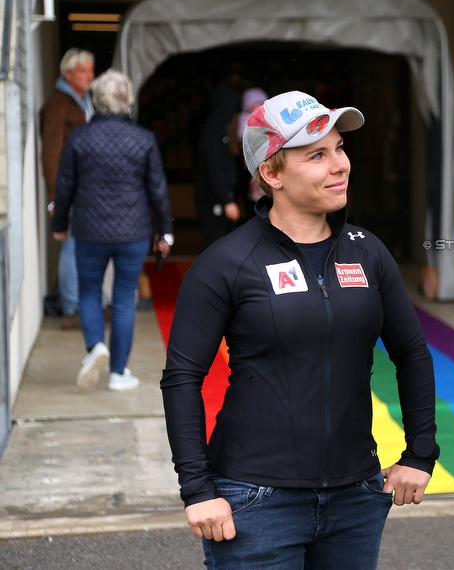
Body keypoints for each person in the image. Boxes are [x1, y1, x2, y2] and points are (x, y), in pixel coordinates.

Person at [161, 91, 438, 570]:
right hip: (254, 500)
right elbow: (182, 378)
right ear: (271, 174)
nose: (340, 165)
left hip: (356, 497)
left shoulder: (367, 252)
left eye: (339, 148)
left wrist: (420, 453)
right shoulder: (226, 263)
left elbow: (411, 352)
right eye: (317, 155)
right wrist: (197, 490)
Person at [51, 69, 174, 392]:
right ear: (127, 100)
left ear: (96, 100)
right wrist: (166, 232)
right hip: (133, 232)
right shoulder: (143, 139)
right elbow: (157, 190)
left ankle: (95, 347)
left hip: (89, 230)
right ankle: (118, 373)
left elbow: (65, 187)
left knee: (89, 291)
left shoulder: (79, 137)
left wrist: (59, 224)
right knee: (122, 299)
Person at [40, 48, 95, 330]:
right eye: (84, 70)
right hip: (69, 190)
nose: (90, 75)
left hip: (85, 189)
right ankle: (71, 309)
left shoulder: (83, 100)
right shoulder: (59, 104)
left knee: (82, 247)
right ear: (67, 74)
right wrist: (54, 198)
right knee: (71, 248)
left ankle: (79, 306)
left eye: (91, 69)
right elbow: (50, 154)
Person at [194, 85, 242, 249]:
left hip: (220, 197)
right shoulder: (212, 130)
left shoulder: (222, 128)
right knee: (216, 246)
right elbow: (213, 167)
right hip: (213, 198)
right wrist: (226, 200)